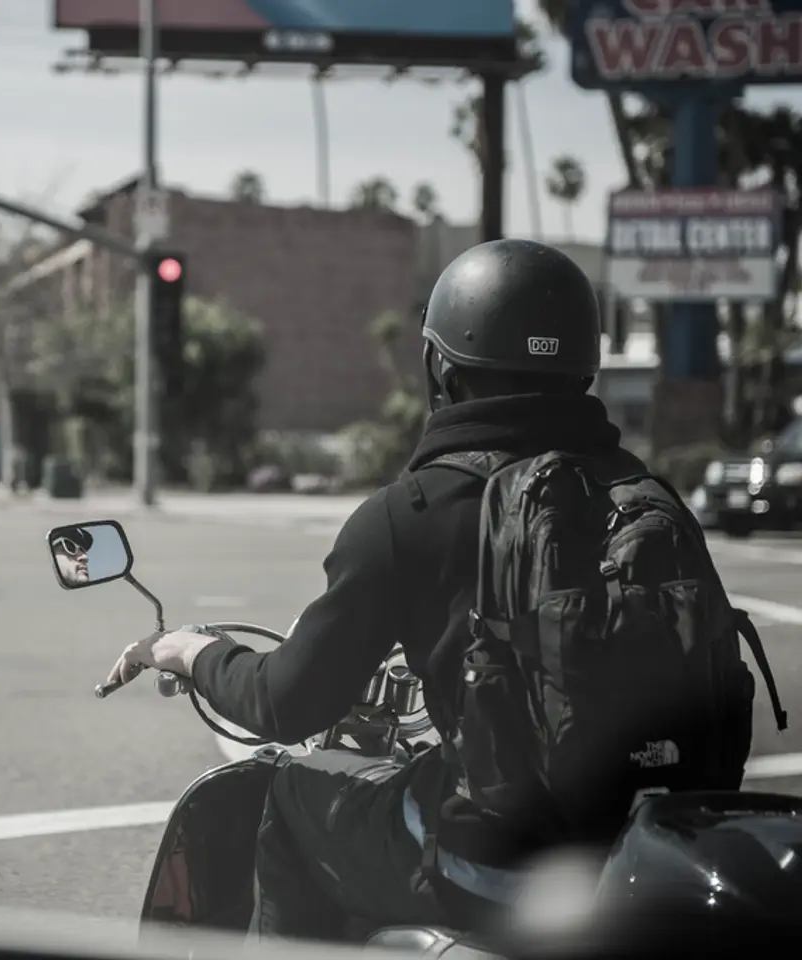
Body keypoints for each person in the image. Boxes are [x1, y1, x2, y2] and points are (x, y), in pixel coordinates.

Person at [104, 239, 765, 941]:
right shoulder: (645, 496)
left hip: (497, 866)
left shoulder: (411, 512)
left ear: (441, 370)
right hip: (651, 851)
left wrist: (188, 650)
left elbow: (284, 704)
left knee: (293, 794)